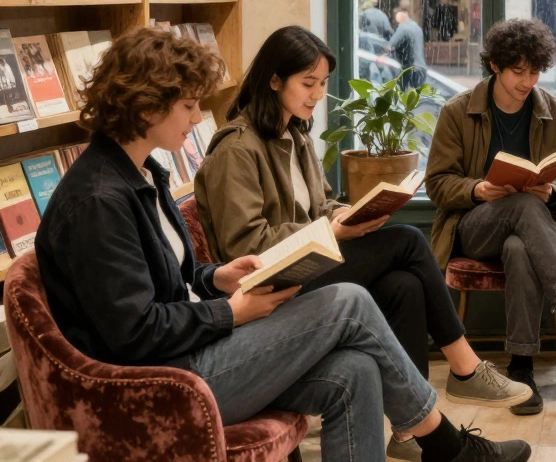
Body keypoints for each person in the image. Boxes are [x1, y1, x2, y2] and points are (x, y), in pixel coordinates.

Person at [35, 27, 529, 462]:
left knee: (356, 370)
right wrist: (232, 311)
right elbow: (135, 331)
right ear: (146, 106)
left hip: (190, 348)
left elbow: (170, 280)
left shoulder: (142, 173)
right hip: (162, 383)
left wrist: (213, 277)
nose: (197, 115)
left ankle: (442, 441)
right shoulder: (100, 200)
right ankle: (447, 444)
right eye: (188, 105)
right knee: (351, 302)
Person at [196, 26, 531, 457]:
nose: (317, 95)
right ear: (274, 80)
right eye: (308, 83)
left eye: (322, 84)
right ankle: (465, 367)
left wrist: (341, 214)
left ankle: (410, 435)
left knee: (403, 287)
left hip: (305, 264)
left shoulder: (294, 135)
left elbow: (316, 205)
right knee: (409, 241)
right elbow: (247, 244)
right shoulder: (237, 148)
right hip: (269, 287)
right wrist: (331, 230)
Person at [426, 19, 556, 416]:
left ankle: (521, 370)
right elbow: (437, 184)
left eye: (535, 71)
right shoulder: (457, 112)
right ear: (496, 66)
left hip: (533, 231)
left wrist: (550, 191)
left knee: (520, 246)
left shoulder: (554, 112)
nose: (527, 81)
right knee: (521, 205)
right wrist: (478, 189)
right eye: (518, 71)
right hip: (474, 227)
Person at [387, 4, 428, 89]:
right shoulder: (417, 27)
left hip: (410, 70)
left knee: (405, 98)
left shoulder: (403, 28)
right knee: (417, 99)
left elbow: (389, 46)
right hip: (422, 69)